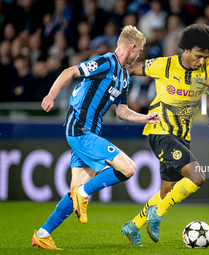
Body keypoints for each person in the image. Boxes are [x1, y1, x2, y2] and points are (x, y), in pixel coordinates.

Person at [31, 25, 160, 250]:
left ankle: (42, 234)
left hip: (90, 133)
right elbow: (70, 72)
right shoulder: (107, 62)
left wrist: (145, 118)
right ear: (130, 47)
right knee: (128, 169)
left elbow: (122, 111)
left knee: (74, 198)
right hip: (80, 130)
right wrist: (51, 96)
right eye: (138, 51)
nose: (138, 56)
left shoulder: (124, 78)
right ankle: (83, 192)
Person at [121, 24, 209, 247]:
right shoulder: (165, 64)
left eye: (206, 57)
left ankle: (132, 226)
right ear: (187, 50)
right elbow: (131, 70)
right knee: (198, 178)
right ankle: (157, 215)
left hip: (182, 137)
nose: (201, 61)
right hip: (160, 131)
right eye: (199, 56)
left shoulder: (208, 68)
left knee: (166, 191)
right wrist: (115, 91)